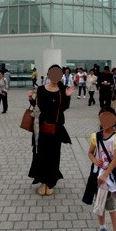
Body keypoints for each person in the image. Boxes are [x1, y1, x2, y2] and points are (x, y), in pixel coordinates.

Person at [27, 64, 75, 196]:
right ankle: (43, 182)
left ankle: (50, 182)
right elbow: (36, 107)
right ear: (48, 75)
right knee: (41, 155)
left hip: (55, 129)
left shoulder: (62, 89)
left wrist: (67, 96)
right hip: (41, 129)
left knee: (53, 155)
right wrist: (31, 98)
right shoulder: (41, 89)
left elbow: (64, 108)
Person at [87, 106, 116, 231]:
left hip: (109, 178)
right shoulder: (95, 136)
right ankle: (102, 229)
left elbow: (115, 160)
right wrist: (94, 160)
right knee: (99, 203)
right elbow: (90, 152)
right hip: (97, 176)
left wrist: (105, 174)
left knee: (111, 206)